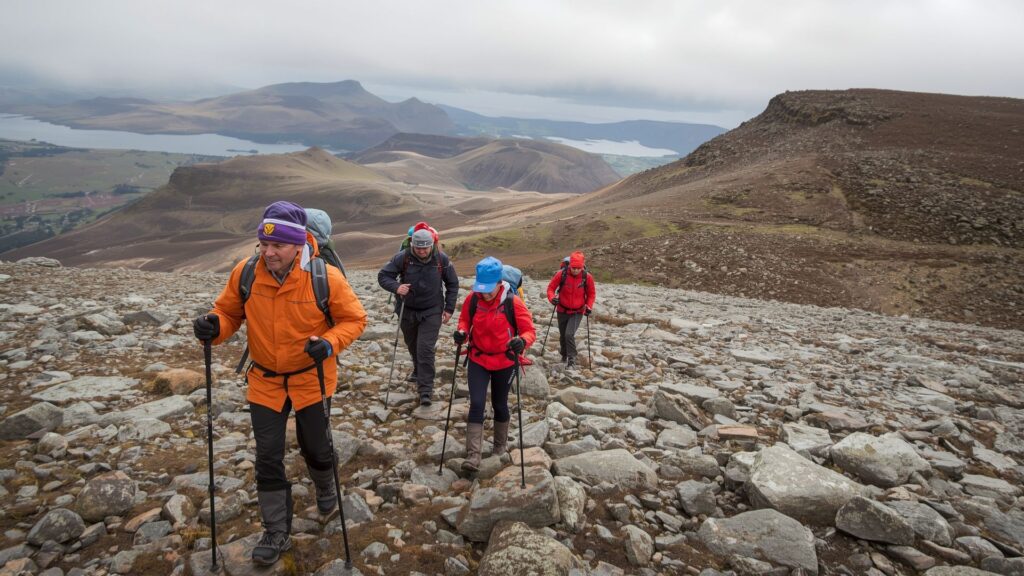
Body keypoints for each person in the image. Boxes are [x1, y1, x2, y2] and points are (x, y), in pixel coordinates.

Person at [192, 201, 367, 566]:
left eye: (277, 246)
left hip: (311, 379)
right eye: (263, 244)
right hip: (265, 381)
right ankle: (276, 530)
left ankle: (325, 487)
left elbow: (354, 319)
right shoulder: (246, 273)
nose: (268, 252)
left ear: (299, 245)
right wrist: (213, 326)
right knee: (267, 456)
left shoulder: (325, 277)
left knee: (316, 446)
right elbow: (227, 312)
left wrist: (329, 343)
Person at [452, 256, 536, 472]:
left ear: (500, 283)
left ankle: (499, 447)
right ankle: (473, 455)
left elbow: (529, 331)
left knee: (500, 404)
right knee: (477, 404)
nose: (485, 293)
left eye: (489, 289)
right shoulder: (473, 299)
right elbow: (464, 321)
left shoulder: (512, 302)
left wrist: (522, 341)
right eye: (482, 288)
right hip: (478, 358)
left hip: (505, 360)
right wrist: (461, 333)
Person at [378, 226, 459, 406]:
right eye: (418, 247)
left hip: (432, 310)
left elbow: (452, 284)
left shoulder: (442, 259)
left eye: (425, 247)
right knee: (413, 345)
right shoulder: (403, 257)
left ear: (432, 246)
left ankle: (425, 390)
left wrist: (449, 309)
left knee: (425, 349)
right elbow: (383, 276)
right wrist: (396, 287)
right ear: (412, 245)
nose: (422, 251)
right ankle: (418, 369)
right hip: (407, 310)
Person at [546, 250, 596, 368]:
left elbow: (591, 294)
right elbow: (550, 289)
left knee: (569, 334)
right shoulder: (561, 274)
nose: (576, 270)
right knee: (563, 335)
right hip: (562, 309)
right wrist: (552, 298)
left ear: (582, 267)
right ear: (570, 265)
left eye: (578, 268)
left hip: (577, 311)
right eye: (573, 268)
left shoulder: (587, 277)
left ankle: (572, 358)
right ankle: (564, 354)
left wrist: (589, 306)